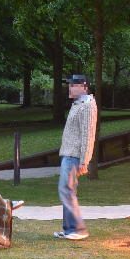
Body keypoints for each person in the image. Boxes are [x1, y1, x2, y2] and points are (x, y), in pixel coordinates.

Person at [55, 74, 97, 240]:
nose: (70, 88)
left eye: (74, 85)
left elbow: (88, 135)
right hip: (68, 154)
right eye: (70, 85)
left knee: (67, 190)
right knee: (66, 190)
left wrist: (84, 161)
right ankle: (69, 229)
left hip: (75, 156)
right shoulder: (77, 104)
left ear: (84, 87)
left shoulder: (87, 106)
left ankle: (78, 230)